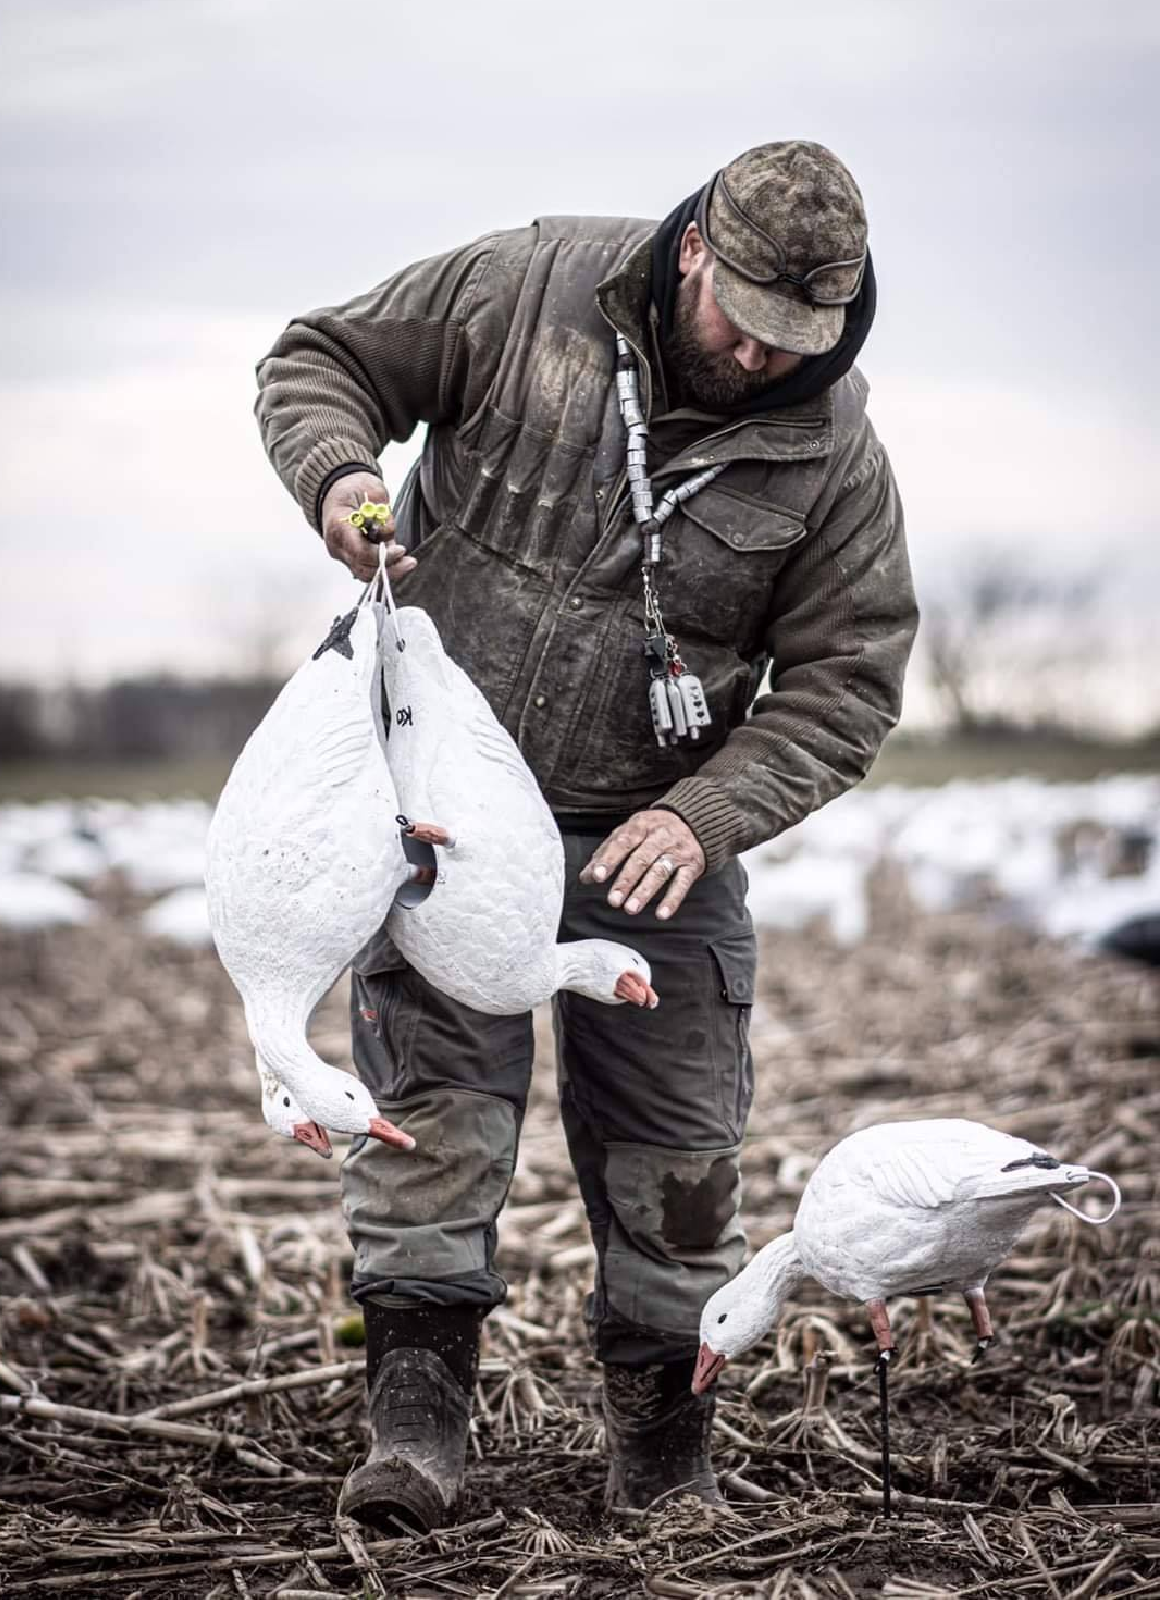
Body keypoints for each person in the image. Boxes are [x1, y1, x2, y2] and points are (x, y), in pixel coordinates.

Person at [255, 140, 918, 1531]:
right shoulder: (527, 291)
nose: (759, 356)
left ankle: (665, 1451)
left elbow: (851, 679)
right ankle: (418, 1427)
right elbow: (321, 358)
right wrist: (336, 479)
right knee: (429, 1109)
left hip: (653, 831)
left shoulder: (832, 452)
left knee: (681, 1150)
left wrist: (710, 811)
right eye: (743, 320)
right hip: (441, 807)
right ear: (692, 252)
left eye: (797, 336)